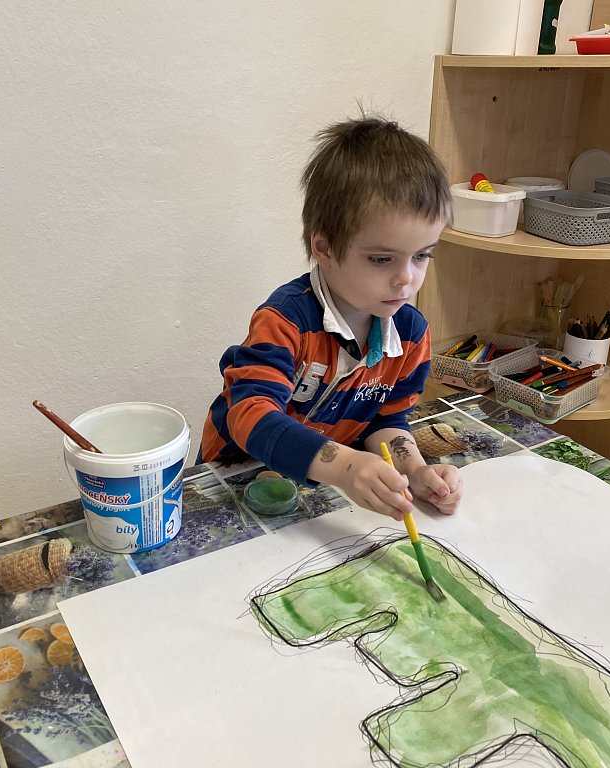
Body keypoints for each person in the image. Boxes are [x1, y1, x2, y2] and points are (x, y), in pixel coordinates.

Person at [198, 115, 463, 520]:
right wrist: (344, 466)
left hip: (315, 489)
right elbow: (250, 416)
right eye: (381, 259)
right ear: (324, 248)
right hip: (235, 479)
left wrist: (414, 469)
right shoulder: (285, 321)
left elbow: (386, 419)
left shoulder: (410, 333)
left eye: (422, 255)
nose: (406, 279)